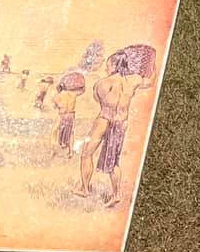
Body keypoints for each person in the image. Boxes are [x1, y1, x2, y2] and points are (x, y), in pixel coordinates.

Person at [74, 43, 156, 202]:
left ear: (114, 65)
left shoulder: (103, 83)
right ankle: (116, 194)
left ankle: (84, 189)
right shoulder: (134, 81)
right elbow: (150, 81)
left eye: (108, 65)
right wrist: (152, 64)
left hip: (104, 120)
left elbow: (97, 99)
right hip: (120, 123)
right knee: (114, 162)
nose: (106, 68)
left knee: (86, 153)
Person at [50, 70, 85, 152]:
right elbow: (82, 91)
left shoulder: (57, 96)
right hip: (71, 115)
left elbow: (56, 106)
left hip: (62, 115)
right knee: (71, 132)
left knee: (54, 131)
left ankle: (53, 150)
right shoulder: (73, 95)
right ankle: (70, 151)